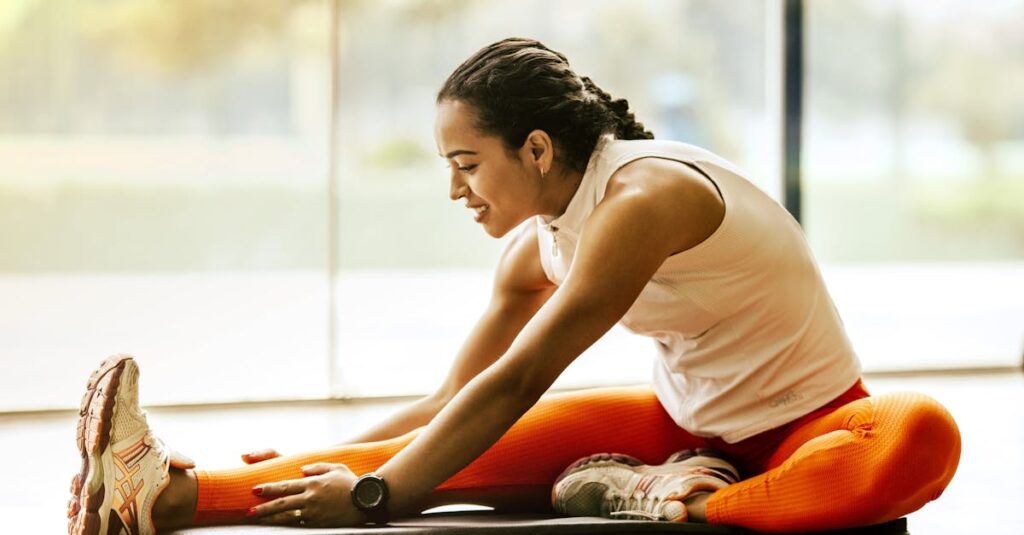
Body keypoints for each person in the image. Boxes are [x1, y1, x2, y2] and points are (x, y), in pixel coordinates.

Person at [66, 37, 960, 535]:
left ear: (537, 148)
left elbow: (522, 377)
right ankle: (154, 495)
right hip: (681, 425)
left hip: (813, 425)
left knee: (922, 433)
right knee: (440, 448)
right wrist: (325, 459)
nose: (457, 190)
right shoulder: (538, 244)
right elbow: (453, 398)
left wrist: (379, 498)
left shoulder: (645, 198)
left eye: (467, 164)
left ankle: (685, 498)